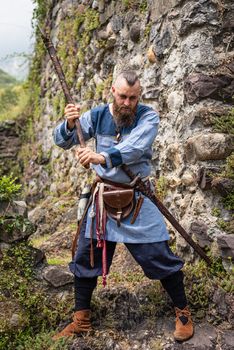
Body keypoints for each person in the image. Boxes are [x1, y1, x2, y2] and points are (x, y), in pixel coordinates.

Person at [52, 70, 194, 342]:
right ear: (112, 92)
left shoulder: (148, 116)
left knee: (158, 256)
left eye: (133, 97)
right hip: (103, 199)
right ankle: (81, 319)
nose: (127, 102)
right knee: (86, 256)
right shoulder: (96, 115)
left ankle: (184, 313)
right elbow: (62, 141)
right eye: (123, 96)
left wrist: (101, 156)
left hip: (138, 196)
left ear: (138, 96)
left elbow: (135, 147)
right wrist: (70, 124)